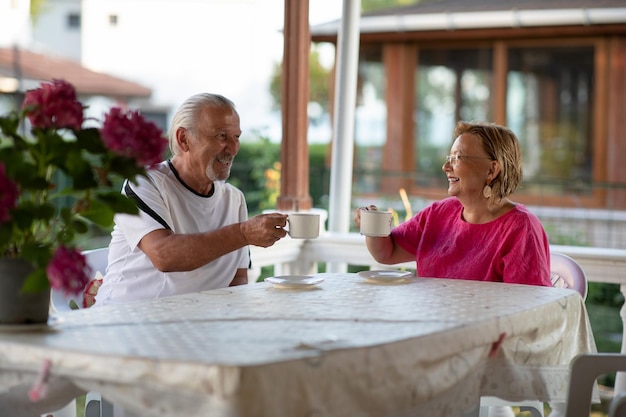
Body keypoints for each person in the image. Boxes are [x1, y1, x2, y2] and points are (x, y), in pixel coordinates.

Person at [94, 93, 288, 305]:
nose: (232, 148)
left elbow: (237, 278)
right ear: (183, 139)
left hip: (195, 326)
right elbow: (164, 256)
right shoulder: (144, 183)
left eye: (237, 137)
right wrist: (243, 233)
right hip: (128, 322)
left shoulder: (234, 199)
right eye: (221, 136)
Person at [355, 120, 552, 286]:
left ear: (492, 170)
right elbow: (387, 253)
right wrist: (374, 227)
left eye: (457, 158)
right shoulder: (439, 213)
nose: (446, 167)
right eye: (449, 157)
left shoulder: (521, 229)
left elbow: (529, 307)